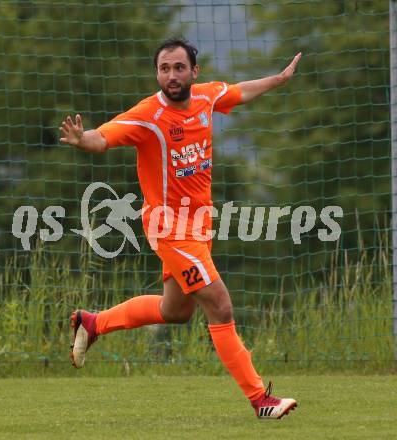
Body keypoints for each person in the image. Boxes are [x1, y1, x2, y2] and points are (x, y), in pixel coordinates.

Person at [59, 37, 301, 420]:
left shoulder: (206, 98)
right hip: (169, 229)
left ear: (194, 71)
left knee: (175, 311)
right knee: (220, 306)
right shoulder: (148, 114)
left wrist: (279, 79)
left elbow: (238, 92)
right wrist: (81, 140)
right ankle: (261, 401)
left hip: (199, 226)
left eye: (178, 67)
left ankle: (93, 322)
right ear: (157, 73)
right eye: (164, 69)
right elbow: (103, 137)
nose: (171, 75)